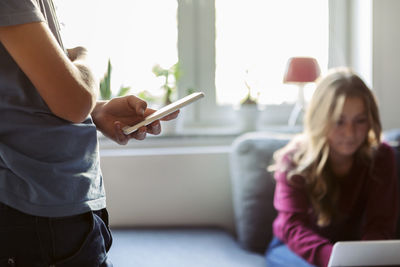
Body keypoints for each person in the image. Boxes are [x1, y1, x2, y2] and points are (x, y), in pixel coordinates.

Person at [0, 0, 178, 266]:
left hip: (54, 207)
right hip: (40, 212)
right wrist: (83, 57)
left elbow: (32, 95)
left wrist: (96, 110)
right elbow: (75, 100)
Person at [265, 67, 399, 267]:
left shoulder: (381, 157)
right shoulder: (293, 160)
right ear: (320, 120)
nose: (350, 133)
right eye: (339, 122)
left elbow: (380, 224)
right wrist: (335, 261)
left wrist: (365, 260)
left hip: (350, 254)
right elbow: (293, 227)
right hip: (293, 248)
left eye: (360, 121)